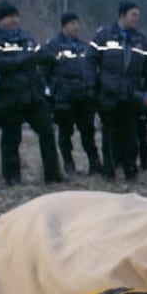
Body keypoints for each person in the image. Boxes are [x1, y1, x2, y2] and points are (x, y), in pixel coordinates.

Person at [0, 1, 63, 186]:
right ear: (1, 19)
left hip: (34, 94)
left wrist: (51, 59)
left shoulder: (27, 37)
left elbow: (40, 55)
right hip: (10, 96)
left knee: (47, 132)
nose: (14, 20)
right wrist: (27, 58)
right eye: (10, 17)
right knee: (11, 138)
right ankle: (12, 178)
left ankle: (53, 175)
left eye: (16, 16)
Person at [88, 0, 147, 181]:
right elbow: (90, 62)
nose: (136, 18)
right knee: (109, 134)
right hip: (108, 93)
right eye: (133, 14)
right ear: (122, 15)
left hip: (131, 94)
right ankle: (109, 170)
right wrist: (91, 87)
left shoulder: (141, 41)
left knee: (131, 135)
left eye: (138, 15)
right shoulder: (103, 36)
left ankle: (130, 169)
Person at [42, 12, 102, 176]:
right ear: (64, 26)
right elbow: (45, 70)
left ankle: (94, 163)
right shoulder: (53, 46)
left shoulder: (85, 46)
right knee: (65, 132)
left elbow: (91, 68)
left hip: (84, 96)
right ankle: (69, 164)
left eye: (77, 23)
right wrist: (54, 88)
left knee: (88, 131)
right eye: (72, 23)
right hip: (64, 97)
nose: (76, 27)